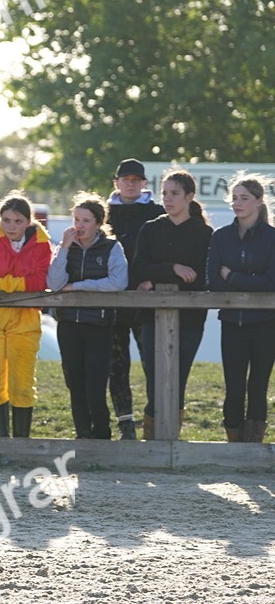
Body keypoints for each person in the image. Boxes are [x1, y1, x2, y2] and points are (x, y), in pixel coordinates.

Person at [132, 170, 213, 439]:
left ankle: (170, 443)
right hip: (151, 317)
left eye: (174, 193)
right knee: (155, 379)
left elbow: (200, 278)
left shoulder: (205, 234)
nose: (167, 198)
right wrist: (173, 268)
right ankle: (152, 442)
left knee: (178, 378)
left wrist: (154, 277)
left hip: (190, 319)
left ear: (190, 196)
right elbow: (137, 270)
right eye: (164, 193)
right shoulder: (151, 228)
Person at [0, 192, 53, 438]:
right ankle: (0, 442)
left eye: (18, 221)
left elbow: (39, 282)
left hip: (25, 319)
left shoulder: (41, 242)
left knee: (23, 383)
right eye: (6, 220)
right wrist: (18, 284)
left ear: (29, 221)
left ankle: (21, 444)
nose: (11, 226)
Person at [47, 193, 128, 439]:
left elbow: (118, 282)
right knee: (75, 383)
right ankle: (82, 433)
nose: (79, 226)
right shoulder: (66, 248)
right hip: (69, 323)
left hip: (99, 324)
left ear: (98, 223)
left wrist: (79, 286)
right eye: (76, 219)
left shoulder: (112, 247)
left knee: (95, 386)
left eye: (86, 220)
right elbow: (54, 282)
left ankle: (102, 433)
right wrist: (63, 249)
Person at [206, 174, 275, 443]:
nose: (237, 203)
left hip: (266, 325)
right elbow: (212, 281)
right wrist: (248, 282)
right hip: (232, 323)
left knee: (258, 386)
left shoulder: (272, 238)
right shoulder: (221, 237)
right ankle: (233, 444)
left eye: (244, 198)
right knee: (234, 387)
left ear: (259, 201)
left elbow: (272, 282)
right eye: (234, 198)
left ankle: (254, 446)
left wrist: (232, 276)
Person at [105, 158, 165, 440]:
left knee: (153, 364)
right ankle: (125, 424)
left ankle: (156, 423)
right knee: (116, 367)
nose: (130, 183)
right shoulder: (103, 212)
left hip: (146, 299)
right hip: (111, 300)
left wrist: (153, 279)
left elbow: (167, 252)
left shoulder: (157, 212)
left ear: (144, 184)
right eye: (125, 179)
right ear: (116, 182)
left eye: (135, 179)